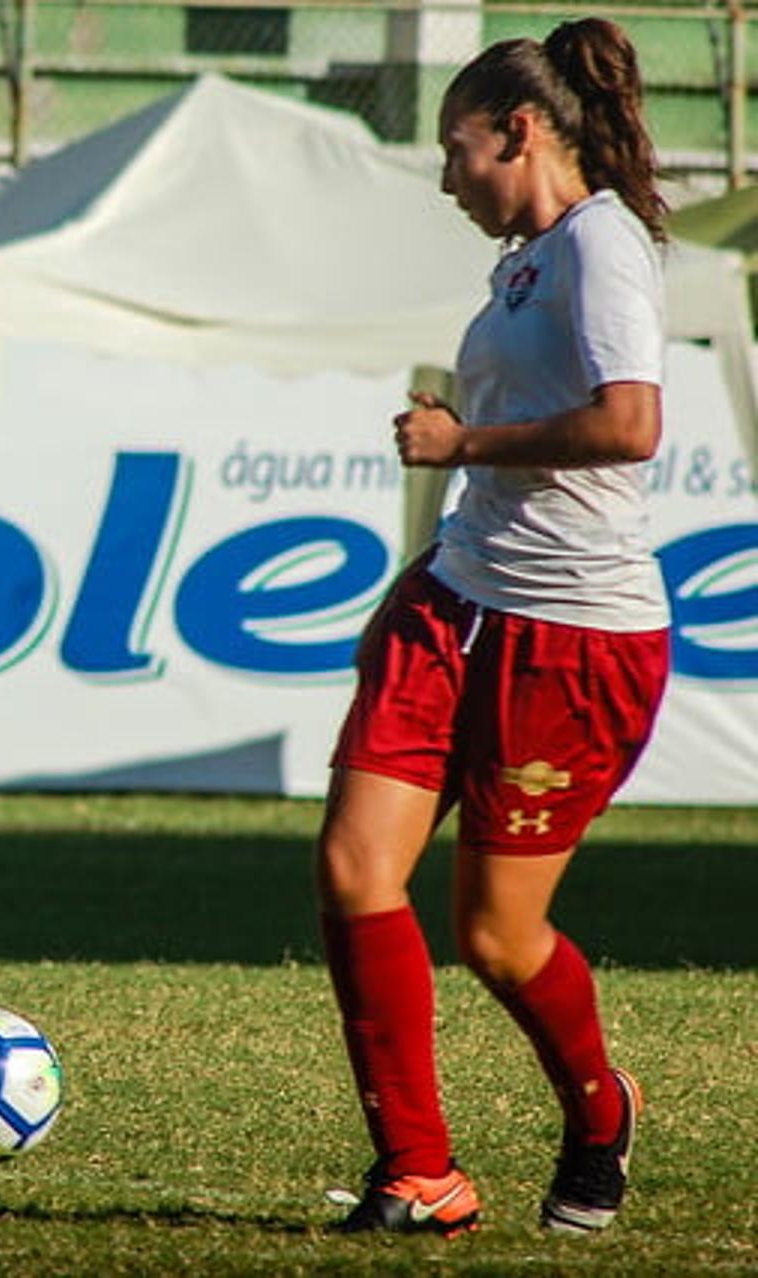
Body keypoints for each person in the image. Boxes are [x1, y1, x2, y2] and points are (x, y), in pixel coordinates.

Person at [316, 18, 669, 1239]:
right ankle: (421, 1172)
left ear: (519, 132)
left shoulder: (605, 246)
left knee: (494, 936)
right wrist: (432, 561)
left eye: (454, 146)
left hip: (572, 640)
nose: (446, 173)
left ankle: (598, 1115)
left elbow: (631, 426)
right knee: (357, 869)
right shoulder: (526, 259)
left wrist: (462, 441)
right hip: (456, 603)